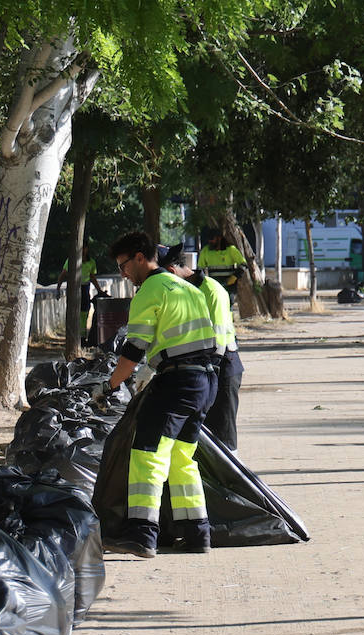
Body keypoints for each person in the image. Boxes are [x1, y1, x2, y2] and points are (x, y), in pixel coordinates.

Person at [94, 231, 219, 557]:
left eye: (123, 265)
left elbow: (133, 352)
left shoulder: (150, 290)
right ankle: (197, 534)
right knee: (182, 458)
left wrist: (108, 386)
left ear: (139, 257)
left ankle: (141, 534)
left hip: (177, 383)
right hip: (206, 382)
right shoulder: (186, 288)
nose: (122, 273)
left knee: (147, 453)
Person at [160, 245, 244, 452]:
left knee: (223, 437)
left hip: (222, 368)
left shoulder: (211, 290)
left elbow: (217, 341)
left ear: (171, 272)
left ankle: (232, 481)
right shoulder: (184, 291)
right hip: (201, 371)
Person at [57, 243, 108, 345]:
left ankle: (82, 336)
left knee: (85, 311)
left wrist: (100, 291)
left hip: (85, 287)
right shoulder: (71, 260)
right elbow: (63, 274)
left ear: (86, 249)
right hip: (74, 288)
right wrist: (58, 288)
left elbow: (92, 277)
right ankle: (73, 336)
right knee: (74, 312)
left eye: (83, 248)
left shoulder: (91, 262)